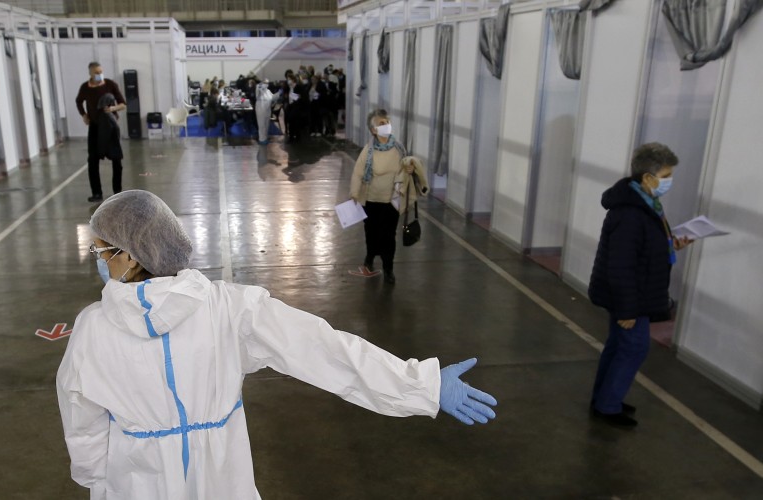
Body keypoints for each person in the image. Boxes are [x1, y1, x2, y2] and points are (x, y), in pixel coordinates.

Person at [58, 190, 498, 499]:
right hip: (222, 478)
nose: (97, 262)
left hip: (138, 482)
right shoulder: (230, 308)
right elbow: (324, 350)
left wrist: (102, 481)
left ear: (129, 255)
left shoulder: (93, 330)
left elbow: (83, 424)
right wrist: (421, 384)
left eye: (100, 252)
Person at [586, 143, 693, 428]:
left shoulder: (645, 204)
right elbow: (620, 266)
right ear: (648, 178)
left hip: (634, 293)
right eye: (666, 175)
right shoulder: (631, 213)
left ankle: (604, 399)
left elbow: (643, 249)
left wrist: (672, 244)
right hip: (631, 297)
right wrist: (627, 310)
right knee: (634, 348)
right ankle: (607, 406)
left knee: (619, 346)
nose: (669, 181)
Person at [349, 109, 427, 284]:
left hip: (391, 201)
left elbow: (406, 167)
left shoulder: (398, 148)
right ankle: (370, 256)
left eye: (387, 122)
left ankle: (388, 267)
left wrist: (409, 169)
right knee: (371, 232)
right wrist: (354, 193)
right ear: (374, 130)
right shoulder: (368, 151)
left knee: (388, 235)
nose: (386, 126)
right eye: (381, 123)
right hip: (371, 200)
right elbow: (358, 173)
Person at [76, 62, 128, 202]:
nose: (99, 75)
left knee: (116, 159)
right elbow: (78, 101)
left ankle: (117, 191)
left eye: (101, 71)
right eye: (96, 72)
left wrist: (112, 109)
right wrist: (84, 115)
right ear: (90, 74)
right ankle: (97, 193)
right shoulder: (85, 88)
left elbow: (123, 104)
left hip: (110, 127)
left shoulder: (110, 85)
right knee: (92, 160)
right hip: (95, 126)